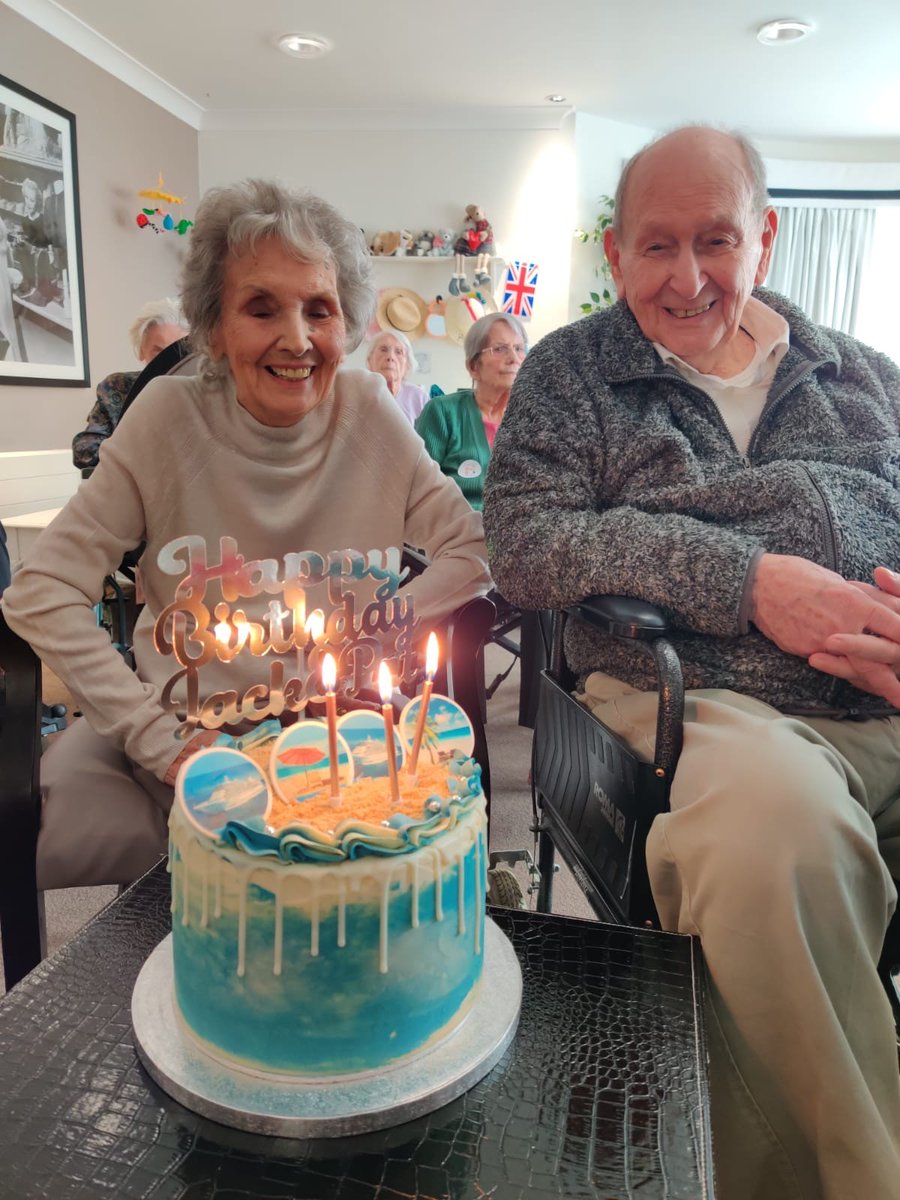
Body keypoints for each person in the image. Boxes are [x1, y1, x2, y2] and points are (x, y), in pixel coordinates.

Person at [484, 125, 900, 1200]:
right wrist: (750, 577)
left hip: (885, 695)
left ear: (766, 235)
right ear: (614, 252)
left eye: (716, 240)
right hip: (700, 700)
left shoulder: (865, 376)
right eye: (656, 247)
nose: (687, 277)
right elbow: (526, 545)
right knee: (774, 835)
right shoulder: (573, 374)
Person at [3, 178, 490, 894]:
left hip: (342, 750)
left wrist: (373, 628)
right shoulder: (166, 420)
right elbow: (40, 591)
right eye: (261, 308)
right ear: (216, 328)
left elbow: (473, 551)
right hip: (200, 757)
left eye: (319, 310)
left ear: (347, 323)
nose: (296, 338)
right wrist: (162, 743)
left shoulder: (371, 411)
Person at [416, 312, 527, 511]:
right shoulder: (443, 413)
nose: (514, 358)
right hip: (457, 534)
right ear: (473, 366)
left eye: (519, 348)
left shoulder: (534, 419)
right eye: (500, 349)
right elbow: (419, 491)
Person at [71, 297, 190, 471]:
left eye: (176, 352)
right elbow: (84, 452)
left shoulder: (202, 391)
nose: (167, 360)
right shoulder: (117, 387)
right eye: (158, 351)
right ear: (141, 350)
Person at [364, 329, 428, 424]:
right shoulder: (357, 394)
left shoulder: (419, 397)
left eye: (398, 352)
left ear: (407, 366)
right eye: (383, 349)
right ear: (370, 360)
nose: (390, 357)